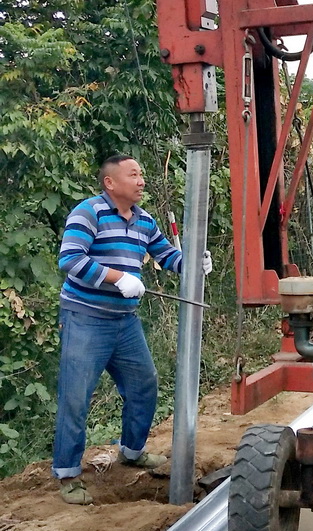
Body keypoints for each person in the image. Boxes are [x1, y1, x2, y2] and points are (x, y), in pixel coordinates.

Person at [53, 155, 212, 505]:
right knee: (75, 397)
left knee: (144, 384)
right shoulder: (89, 212)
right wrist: (118, 277)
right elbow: (70, 260)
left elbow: (167, 255)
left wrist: (194, 263)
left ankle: (132, 450)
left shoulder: (143, 220)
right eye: (133, 175)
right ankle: (67, 475)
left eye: (141, 174)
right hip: (85, 318)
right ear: (110, 183)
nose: (141, 181)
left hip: (124, 322)